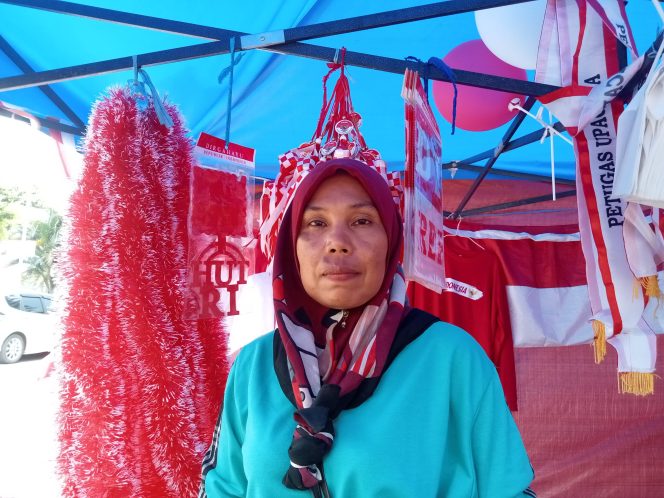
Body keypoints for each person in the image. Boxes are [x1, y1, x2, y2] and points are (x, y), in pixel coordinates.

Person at [200, 158, 535, 497]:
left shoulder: (452, 358)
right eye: (315, 222)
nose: (337, 241)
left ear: (390, 241)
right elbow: (222, 487)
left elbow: (509, 490)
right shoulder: (253, 366)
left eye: (362, 220)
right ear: (292, 247)